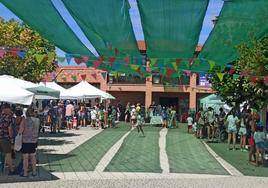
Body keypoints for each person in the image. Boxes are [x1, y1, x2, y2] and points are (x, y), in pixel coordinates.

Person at [18, 108, 40, 177]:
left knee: (25, 158)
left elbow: (20, 130)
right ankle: (34, 172)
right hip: (34, 141)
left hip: (25, 141)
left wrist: (19, 134)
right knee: (33, 157)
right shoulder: (37, 120)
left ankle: (25, 173)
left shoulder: (24, 120)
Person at [0, 103, 15, 175]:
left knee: (3, 154)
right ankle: (11, 170)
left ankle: (4, 167)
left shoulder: (1, 116)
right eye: (10, 109)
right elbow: (10, 129)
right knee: (8, 154)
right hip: (6, 138)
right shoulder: (9, 117)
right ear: (7, 109)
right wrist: (12, 139)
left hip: (1, 137)